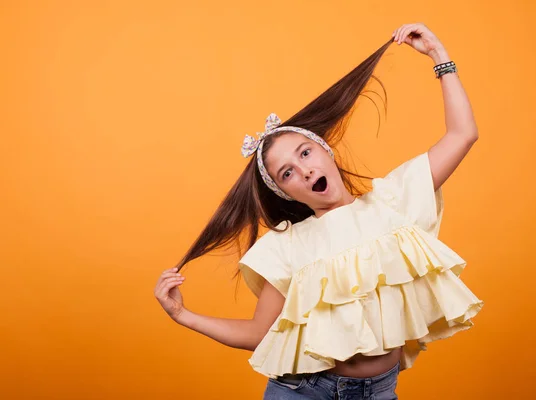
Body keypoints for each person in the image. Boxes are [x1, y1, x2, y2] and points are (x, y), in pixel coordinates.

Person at [154, 23, 484, 400]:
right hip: (304, 391)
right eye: (287, 172)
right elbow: (260, 334)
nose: (305, 169)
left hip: (378, 393)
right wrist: (183, 316)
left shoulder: (393, 200)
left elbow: (463, 134)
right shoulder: (287, 245)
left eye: (305, 153)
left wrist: (439, 56)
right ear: (285, 191)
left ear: (325, 150)